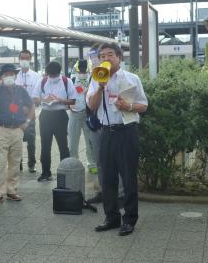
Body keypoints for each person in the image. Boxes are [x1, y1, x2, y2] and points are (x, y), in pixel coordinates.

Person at [87, 42, 148, 236]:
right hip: (106, 132)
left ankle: (129, 219)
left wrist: (128, 106)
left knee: (128, 177)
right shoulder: (96, 78)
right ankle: (111, 217)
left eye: (110, 55)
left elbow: (144, 105)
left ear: (119, 57)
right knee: (107, 178)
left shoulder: (132, 78)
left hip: (126, 131)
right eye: (102, 56)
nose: (106, 59)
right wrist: (99, 88)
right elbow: (92, 106)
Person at [0, 64, 34, 205]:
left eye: (11, 74)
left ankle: (12, 190)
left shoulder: (21, 91)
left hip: (17, 130)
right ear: (1, 77)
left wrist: (27, 122)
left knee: (15, 161)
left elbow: (31, 106)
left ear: (15, 75)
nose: (9, 77)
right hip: (1, 129)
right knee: (0, 162)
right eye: (6, 74)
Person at [32, 61, 76, 182]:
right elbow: (35, 99)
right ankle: (46, 173)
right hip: (45, 115)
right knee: (45, 146)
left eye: (55, 76)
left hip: (60, 116)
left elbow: (72, 100)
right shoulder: (42, 81)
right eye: (50, 76)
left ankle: (65, 173)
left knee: (63, 146)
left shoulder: (67, 81)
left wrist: (60, 100)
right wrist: (43, 99)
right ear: (47, 73)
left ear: (59, 73)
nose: (53, 78)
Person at [68, 59, 97, 172]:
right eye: (81, 66)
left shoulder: (92, 78)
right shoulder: (72, 79)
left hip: (87, 113)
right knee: (73, 141)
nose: (82, 69)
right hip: (74, 113)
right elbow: (68, 94)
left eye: (84, 66)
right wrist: (70, 106)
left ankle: (92, 164)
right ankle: (74, 164)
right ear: (77, 67)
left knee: (90, 140)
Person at [15, 50, 40, 173]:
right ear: (19, 59)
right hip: (16, 114)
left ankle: (31, 164)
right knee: (16, 140)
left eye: (27, 58)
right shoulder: (14, 76)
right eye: (22, 58)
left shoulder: (36, 76)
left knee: (31, 140)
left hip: (30, 113)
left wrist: (29, 106)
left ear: (30, 59)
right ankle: (17, 164)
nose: (24, 60)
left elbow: (37, 96)